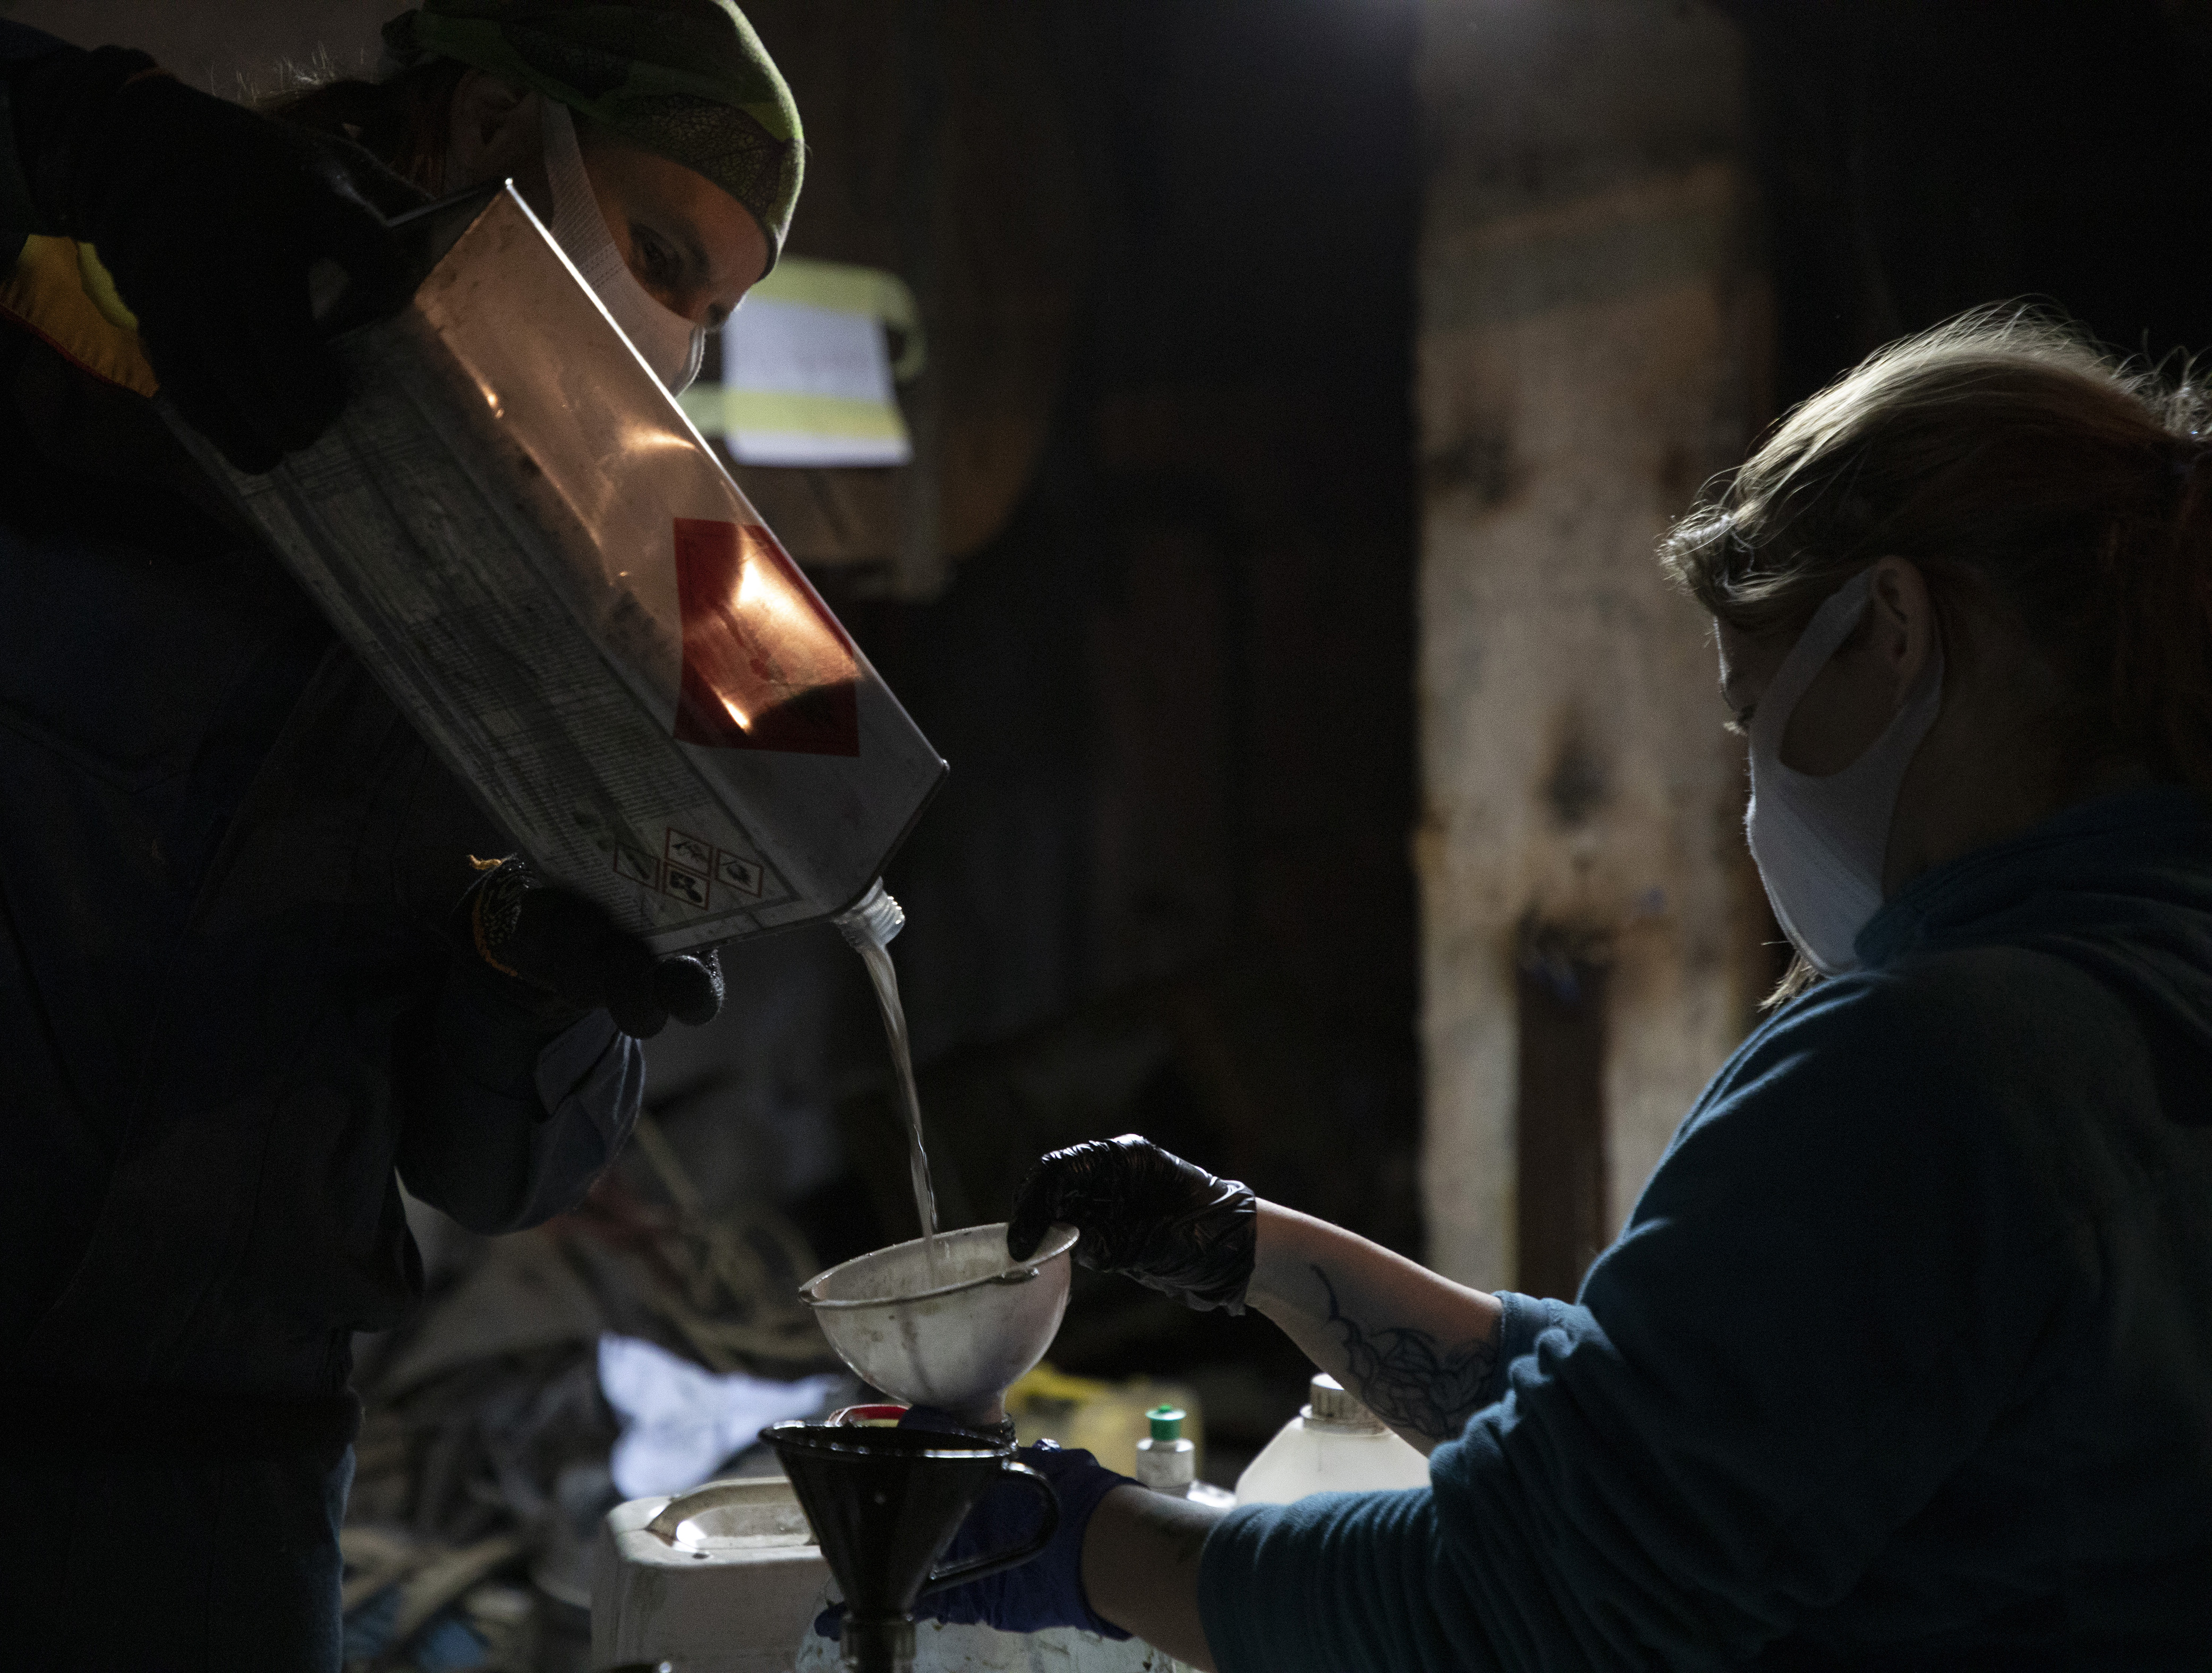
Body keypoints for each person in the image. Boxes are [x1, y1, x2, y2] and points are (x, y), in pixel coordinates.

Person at [0, 1, 801, 1664]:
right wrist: (83, 141)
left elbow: (498, 1170)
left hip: (218, 1499)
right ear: (493, 114)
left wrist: (538, 974)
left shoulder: (570, 588)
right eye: (656, 254)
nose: (671, 350)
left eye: (712, 311)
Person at [903, 310, 2212, 1669]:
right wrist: (1261, 1254)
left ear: (1889, 629)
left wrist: (1070, 1541)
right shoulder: (2139, 998)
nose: (1751, 781)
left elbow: (1517, 1607)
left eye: (1753, 707)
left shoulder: (1935, 1062)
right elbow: (1677, 1435)